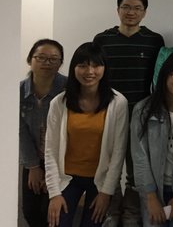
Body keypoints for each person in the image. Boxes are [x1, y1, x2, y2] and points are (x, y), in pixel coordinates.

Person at [93, 0, 164, 226]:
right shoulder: (102, 40)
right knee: (107, 168)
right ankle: (111, 213)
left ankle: (132, 215)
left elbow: (157, 80)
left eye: (137, 8)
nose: (131, 12)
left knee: (136, 172)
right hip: (108, 115)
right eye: (126, 7)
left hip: (140, 118)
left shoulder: (154, 41)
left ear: (144, 13)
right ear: (118, 10)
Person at [45, 42, 128, 227]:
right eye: (82, 65)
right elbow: (50, 150)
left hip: (99, 179)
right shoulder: (59, 103)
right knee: (57, 222)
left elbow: (118, 152)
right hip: (67, 178)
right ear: (74, 68)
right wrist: (54, 193)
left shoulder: (118, 103)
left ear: (104, 68)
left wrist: (106, 193)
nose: (89, 71)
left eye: (96, 65)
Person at [131, 51, 173, 227]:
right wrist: (150, 196)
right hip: (152, 188)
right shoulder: (143, 109)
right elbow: (139, 156)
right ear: (165, 74)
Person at [20, 39, 68, 227]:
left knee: (54, 214)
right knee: (30, 211)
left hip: (61, 160)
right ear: (30, 59)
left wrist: (52, 172)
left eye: (53, 59)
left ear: (60, 63)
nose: (47, 63)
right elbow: (20, 131)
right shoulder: (18, 91)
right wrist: (33, 167)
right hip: (32, 158)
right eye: (40, 57)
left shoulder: (69, 89)